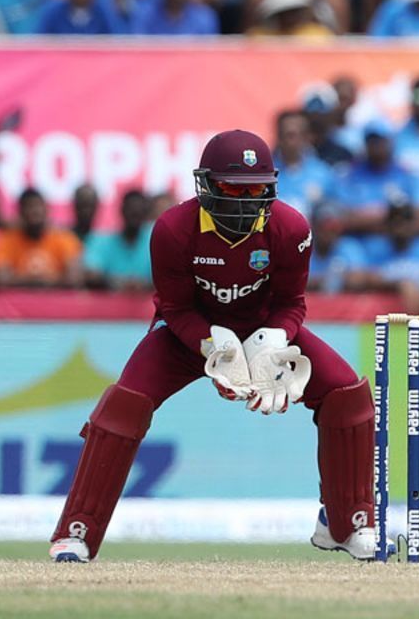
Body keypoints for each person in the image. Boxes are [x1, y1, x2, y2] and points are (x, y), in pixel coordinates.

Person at [49, 130, 383, 563]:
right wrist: (210, 343)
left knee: (348, 395)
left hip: (266, 331)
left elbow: (291, 304)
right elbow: (174, 306)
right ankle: (77, 533)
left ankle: (345, 524)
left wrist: (274, 338)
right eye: (232, 189)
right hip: (188, 334)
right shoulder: (172, 229)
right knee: (123, 406)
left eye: (257, 190)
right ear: (206, 185)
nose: (246, 201)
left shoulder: (291, 227)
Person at [360, 201, 419, 312]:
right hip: (388, 312)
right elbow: (365, 278)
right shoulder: (376, 247)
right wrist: (400, 285)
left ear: (413, 224)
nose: (401, 229)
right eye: (396, 223)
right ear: (387, 225)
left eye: (406, 222)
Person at [339, 124, 419, 235]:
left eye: (380, 141)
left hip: (398, 243)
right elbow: (343, 220)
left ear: (390, 142)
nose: (376, 146)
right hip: (361, 242)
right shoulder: (351, 175)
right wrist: (391, 216)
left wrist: (368, 217)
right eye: (372, 141)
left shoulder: (406, 175)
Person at [0, 188, 84, 288]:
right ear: (20, 213)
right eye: (29, 207)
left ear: (47, 209)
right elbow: (1, 278)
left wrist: (30, 281)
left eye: (38, 206)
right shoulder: (9, 239)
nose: (34, 212)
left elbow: (74, 278)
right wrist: (40, 281)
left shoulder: (64, 238)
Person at [82, 189, 153, 290]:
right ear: (121, 211)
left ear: (146, 214)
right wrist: (118, 283)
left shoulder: (156, 241)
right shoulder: (100, 240)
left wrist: (143, 285)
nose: (134, 218)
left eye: (138, 214)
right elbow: (90, 274)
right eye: (131, 212)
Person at [273, 110, 334, 218]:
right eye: (284, 135)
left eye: (293, 135)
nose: (288, 140)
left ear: (306, 137)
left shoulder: (323, 174)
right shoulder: (266, 174)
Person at [307, 204, 366, 293]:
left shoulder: (349, 247)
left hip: (343, 304)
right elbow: (292, 281)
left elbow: (359, 278)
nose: (327, 231)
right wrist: (323, 282)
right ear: (314, 226)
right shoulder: (303, 247)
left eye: (333, 227)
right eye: (323, 226)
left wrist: (336, 281)